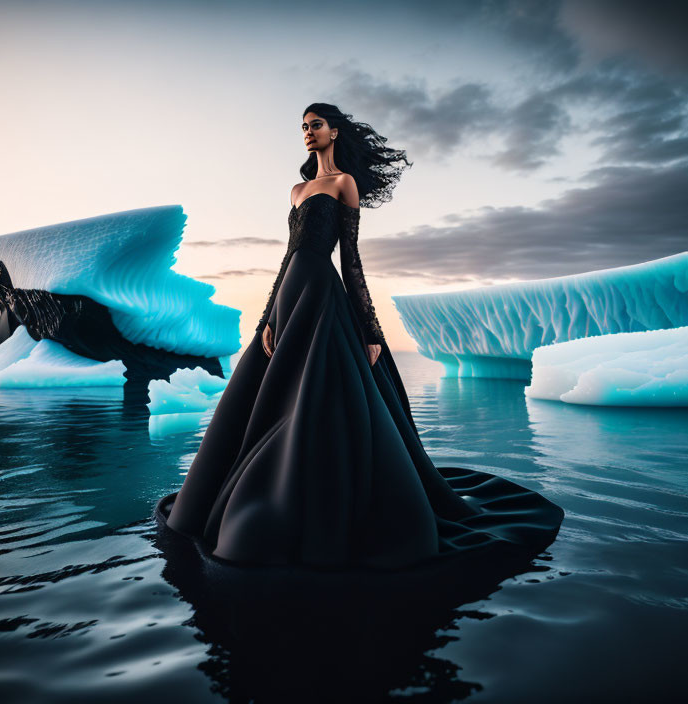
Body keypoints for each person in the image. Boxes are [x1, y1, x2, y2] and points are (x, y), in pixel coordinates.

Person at [157, 103, 563, 570]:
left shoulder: (342, 184)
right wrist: (267, 318)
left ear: (334, 131)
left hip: (324, 294)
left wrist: (370, 328)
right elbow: (288, 257)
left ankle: (319, 484)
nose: (308, 133)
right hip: (291, 292)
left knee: (321, 392)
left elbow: (351, 259)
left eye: (315, 125)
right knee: (272, 391)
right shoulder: (296, 191)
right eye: (303, 127)